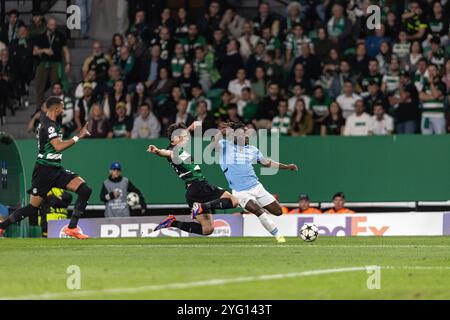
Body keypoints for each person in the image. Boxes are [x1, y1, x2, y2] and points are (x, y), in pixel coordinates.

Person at [0, 97, 92, 239]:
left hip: (56, 169)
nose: (64, 110)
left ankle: (72, 228)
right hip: (44, 171)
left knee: (85, 190)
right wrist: (78, 137)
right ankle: (1, 227)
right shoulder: (48, 125)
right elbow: (58, 146)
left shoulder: (53, 124)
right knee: (32, 208)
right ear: (56, 109)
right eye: (62, 107)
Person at [199, 122, 298, 242]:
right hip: (241, 192)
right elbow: (212, 147)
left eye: (247, 134)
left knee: (278, 211)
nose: (246, 136)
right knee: (259, 212)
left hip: (257, 187)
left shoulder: (252, 150)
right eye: (242, 134)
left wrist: (287, 166)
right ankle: (279, 236)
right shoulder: (225, 145)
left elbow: (267, 162)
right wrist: (221, 132)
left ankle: (257, 205)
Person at [147, 122, 240, 236]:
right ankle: (201, 206)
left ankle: (173, 222)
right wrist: (157, 151)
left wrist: (190, 127)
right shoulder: (174, 151)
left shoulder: (178, 147)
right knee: (234, 201)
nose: (186, 138)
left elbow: (184, 135)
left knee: (207, 229)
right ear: (176, 138)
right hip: (199, 186)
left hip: (192, 192)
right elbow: (165, 153)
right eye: (183, 136)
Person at [33, 18, 71, 109]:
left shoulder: (60, 36)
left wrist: (68, 63)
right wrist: (44, 50)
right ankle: (40, 108)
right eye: (51, 25)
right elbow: (34, 52)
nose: (53, 27)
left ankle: (54, 106)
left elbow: (65, 50)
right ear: (47, 25)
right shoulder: (41, 37)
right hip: (43, 63)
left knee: (55, 85)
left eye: (54, 25)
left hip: (56, 63)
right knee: (40, 85)